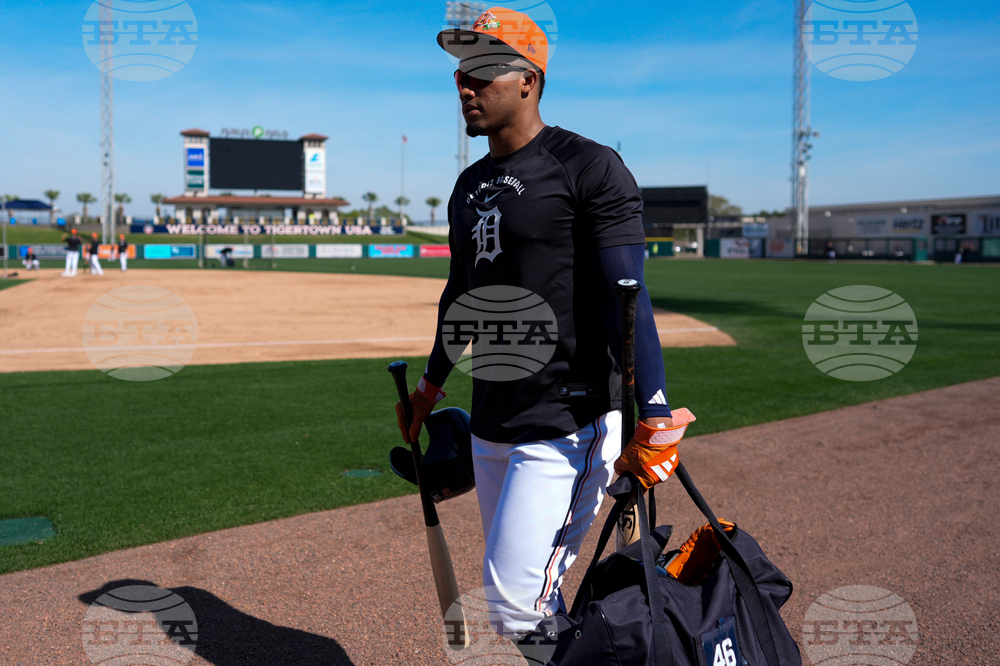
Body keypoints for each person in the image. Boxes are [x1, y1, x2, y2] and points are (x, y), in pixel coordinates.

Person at [396, 7, 693, 650]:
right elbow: (461, 298)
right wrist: (428, 388)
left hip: (571, 419)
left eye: (480, 72)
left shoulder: (588, 166)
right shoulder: (469, 185)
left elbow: (628, 296)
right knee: (536, 602)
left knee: (514, 602)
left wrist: (657, 410)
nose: (464, 87)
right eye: (459, 74)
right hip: (491, 416)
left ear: (528, 80)